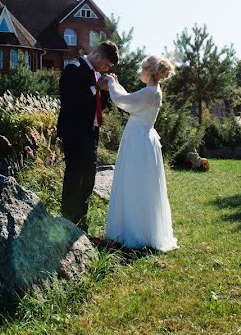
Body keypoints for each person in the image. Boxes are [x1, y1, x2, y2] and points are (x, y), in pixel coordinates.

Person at [104, 55, 178, 251]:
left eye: (142, 68)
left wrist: (111, 83)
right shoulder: (152, 91)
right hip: (144, 140)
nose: (140, 72)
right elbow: (132, 99)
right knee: (143, 184)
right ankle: (144, 228)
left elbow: (123, 101)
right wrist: (117, 85)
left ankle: (134, 231)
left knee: (134, 183)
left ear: (149, 71)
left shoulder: (149, 92)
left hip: (138, 141)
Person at [57, 41, 118, 232]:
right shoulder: (73, 69)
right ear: (98, 56)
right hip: (74, 132)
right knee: (74, 175)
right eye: (106, 65)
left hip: (91, 132)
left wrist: (106, 90)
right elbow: (69, 100)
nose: (106, 69)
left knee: (89, 176)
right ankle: (68, 218)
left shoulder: (97, 74)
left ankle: (81, 220)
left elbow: (98, 104)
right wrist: (96, 88)